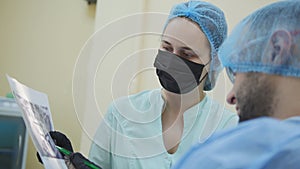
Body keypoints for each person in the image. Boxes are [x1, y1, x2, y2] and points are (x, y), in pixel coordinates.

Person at [38, 1, 238, 169]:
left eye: (187, 54)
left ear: (214, 62)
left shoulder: (229, 129)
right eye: (166, 48)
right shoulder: (120, 114)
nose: (172, 60)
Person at [171, 1, 300, 168]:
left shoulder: (231, 157)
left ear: (277, 49)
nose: (230, 97)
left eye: (237, 71)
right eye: (166, 47)